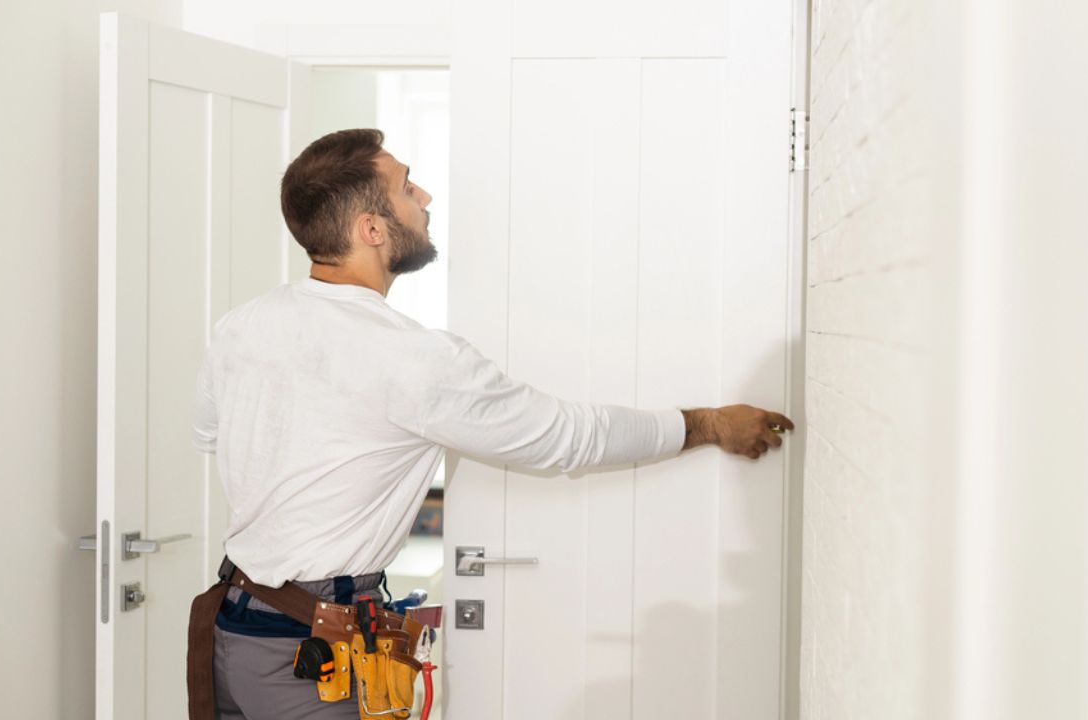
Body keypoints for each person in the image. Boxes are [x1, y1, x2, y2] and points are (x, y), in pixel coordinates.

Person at [190, 128, 795, 719]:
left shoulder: (242, 326)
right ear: (370, 229)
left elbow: (210, 436)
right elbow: (569, 436)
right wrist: (708, 424)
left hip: (234, 636)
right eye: (407, 187)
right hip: (308, 661)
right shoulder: (411, 358)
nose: (424, 198)